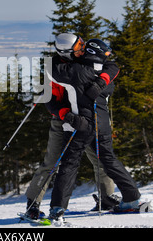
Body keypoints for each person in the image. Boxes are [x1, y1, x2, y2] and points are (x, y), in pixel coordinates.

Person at [24, 34, 120, 220]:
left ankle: (106, 197)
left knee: (100, 157)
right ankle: (33, 204)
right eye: (78, 46)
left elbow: (110, 65)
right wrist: (66, 115)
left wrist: (102, 82)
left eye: (82, 44)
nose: (82, 48)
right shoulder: (54, 68)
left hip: (87, 118)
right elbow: (50, 101)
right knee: (51, 163)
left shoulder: (84, 58)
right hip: (63, 121)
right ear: (67, 52)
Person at [47, 35, 142, 221]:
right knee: (109, 160)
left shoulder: (74, 71)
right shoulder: (105, 76)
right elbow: (112, 66)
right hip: (103, 124)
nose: (81, 50)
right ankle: (132, 198)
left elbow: (52, 70)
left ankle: (57, 208)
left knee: (69, 164)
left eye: (83, 47)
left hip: (81, 124)